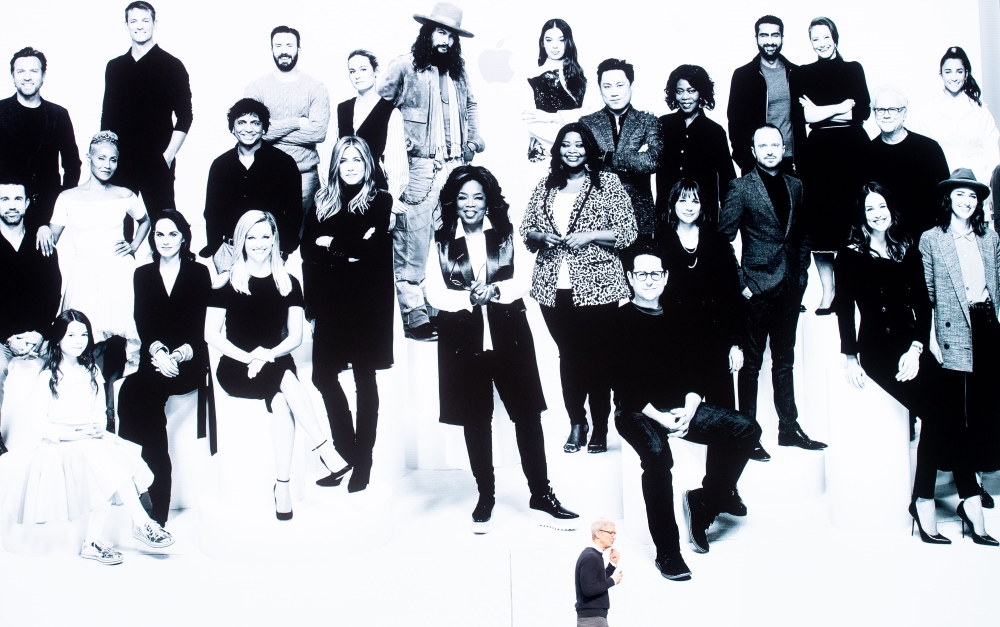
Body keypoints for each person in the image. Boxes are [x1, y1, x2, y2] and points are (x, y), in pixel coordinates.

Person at [426, 165, 579, 533]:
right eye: (463, 197)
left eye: (478, 197)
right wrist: (468, 297)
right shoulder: (443, 240)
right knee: (476, 419)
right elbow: (432, 290)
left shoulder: (507, 235)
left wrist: (495, 291)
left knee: (527, 414)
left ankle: (541, 495)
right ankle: (486, 496)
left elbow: (524, 279)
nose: (470, 204)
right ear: (454, 201)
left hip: (509, 333)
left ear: (488, 200)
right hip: (463, 340)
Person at [612, 248, 761, 579]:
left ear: (665, 278)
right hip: (637, 410)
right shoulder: (618, 321)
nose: (649, 280)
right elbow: (624, 386)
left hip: (681, 407)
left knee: (746, 430)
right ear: (630, 279)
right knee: (657, 457)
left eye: (655, 274)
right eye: (641, 274)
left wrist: (691, 408)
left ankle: (706, 500)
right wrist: (661, 418)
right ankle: (668, 552)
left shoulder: (681, 315)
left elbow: (700, 369)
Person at [835, 182, 960, 543]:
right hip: (878, 350)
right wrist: (850, 356)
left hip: (912, 345)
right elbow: (845, 308)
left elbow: (924, 302)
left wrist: (918, 347)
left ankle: (955, 493)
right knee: (937, 412)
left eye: (882, 205)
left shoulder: (907, 245)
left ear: (891, 209)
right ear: (862, 215)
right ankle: (924, 499)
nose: (878, 213)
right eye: (870, 208)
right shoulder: (850, 254)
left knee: (948, 404)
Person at [205, 210, 348, 520]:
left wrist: (265, 355)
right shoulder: (225, 281)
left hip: (275, 363)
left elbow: (296, 337)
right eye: (252, 237)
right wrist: (249, 357)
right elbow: (210, 335)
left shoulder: (288, 282)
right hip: (236, 367)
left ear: (274, 240)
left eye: (266, 237)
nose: (259, 243)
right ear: (241, 240)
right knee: (284, 377)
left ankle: (281, 487)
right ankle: (325, 449)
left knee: (283, 402)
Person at [16, 310, 174, 565]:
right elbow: (37, 423)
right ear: (58, 339)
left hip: (89, 440)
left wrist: (98, 429)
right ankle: (142, 523)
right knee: (106, 463)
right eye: (71, 335)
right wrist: (69, 434)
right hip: (60, 444)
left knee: (112, 462)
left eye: (84, 335)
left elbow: (99, 412)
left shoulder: (91, 371)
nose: (79, 340)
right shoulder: (48, 376)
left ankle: (96, 541)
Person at [520, 123, 637, 454]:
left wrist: (589, 235)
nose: (572, 150)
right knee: (569, 355)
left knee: (596, 356)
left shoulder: (606, 183)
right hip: (553, 285)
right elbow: (526, 228)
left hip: (598, 285)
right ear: (558, 150)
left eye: (579, 145)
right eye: (566, 145)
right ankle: (577, 422)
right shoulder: (545, 186)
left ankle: (599, 426)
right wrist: (541, 237)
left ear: (589, 149)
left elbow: (628, 231)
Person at [378, 2, 485, 341]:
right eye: (441, 32)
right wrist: (394, 148)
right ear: (427, 32)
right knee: (413, 240)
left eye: (452, 35)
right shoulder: (403, 67)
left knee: (448, 237)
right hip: (420, 167)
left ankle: (439, 304)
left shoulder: (459, 72)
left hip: (456, 165)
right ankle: (414, 316)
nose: (446, 41)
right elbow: (378, 110)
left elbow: (471, 105)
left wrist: (471, 142)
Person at [719, 124, 823, 457]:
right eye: (762, 145)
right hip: (757, 289)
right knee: (750, 365)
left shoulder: (797, 186)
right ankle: (746, 435)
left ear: (783, 147)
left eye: (775, 145)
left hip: (790, 288)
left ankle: (788, 429)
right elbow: (722, 241)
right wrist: (742, 284)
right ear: (752, 150)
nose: (769, 150)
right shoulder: (740, 187)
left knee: (784, 362)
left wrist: (802, 276)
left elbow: (804, 235)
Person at [302, 137, 393, 493]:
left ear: (367, 163)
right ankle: (347, 453)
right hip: (329, 301)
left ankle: (362, 461)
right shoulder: (322, 200)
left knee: (364, 379)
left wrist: (332, 244)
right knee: (322, 377)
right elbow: (307, 249)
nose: (351, 166)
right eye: (344, 160)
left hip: (368, 302)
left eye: (357, 159)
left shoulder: (379, 200)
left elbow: (370, 251)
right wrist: (347, 247)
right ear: (336, 165)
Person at [43, 131, 150, 430]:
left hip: (117, 272)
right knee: (85, 340)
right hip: (85, 273)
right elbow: (51, 235)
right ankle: (83, 414)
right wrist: (42, 229)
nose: (107, 164)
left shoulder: (124, 194)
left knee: (116, 344)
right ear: (88, 158)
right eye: (101, 158)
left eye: (112, 159)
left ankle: (110, 416)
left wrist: (133, 244)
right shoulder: (68, 197)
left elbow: (145, 221)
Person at [918, 169, 1000, 545]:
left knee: (983, 408)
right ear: (948, 198)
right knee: (955, 411)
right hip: (953, 331)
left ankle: (978, 484)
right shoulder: (932, 240)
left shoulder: (989, 237)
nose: (967, 202)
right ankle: (962, 491)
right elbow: (929, 295)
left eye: (973, 197)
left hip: (987, 325)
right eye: (960, 195)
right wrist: (931, 338)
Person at [116, 210, 212, 527]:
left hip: (189, 358)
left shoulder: (198, 273)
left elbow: (199, 326)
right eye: (159, 234)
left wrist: (179, 355)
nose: (165, 240)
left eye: (172, 234)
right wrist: (158, 352)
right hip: (155, 357)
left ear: (184, 236)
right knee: (130, 394)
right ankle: (138, 482)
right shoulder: (142, 274)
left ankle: (157, 507)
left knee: (147, 395)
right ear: (152, 238)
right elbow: (143, 320)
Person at [792, 16, 871, 313]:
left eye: (826, 37)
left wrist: (820, 111)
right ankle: (829, 293)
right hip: (819, 154)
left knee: (853, 219)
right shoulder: (803, 73)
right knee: (820, 225)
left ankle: (854, 291)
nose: (821, 43)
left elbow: (860, 112)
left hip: (853, 151)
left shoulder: (853, 69)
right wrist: (840, 107)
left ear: (835, 37)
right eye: (815, 39)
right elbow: (805, 118)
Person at [656, 179, 744, 410]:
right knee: (678, 408)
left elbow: (731, 295)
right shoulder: (659, 241)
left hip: (714, 337)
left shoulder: (717, 241)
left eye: (695, 201)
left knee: (722, 409)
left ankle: (729, 447)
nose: (688, 206)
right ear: (672, 203)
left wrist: (735, 344)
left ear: (702, 205)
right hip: (674, 337)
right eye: (682, 200)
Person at [101, 2, 192, 216]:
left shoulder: (172, 65)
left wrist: (167, 157)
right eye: (133, 21)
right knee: (116, 225)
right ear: (126, 25)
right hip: (120, 161)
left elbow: (185, 116)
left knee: (164, 222)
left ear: (154, 23)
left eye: (145, 20)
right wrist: (105, 157)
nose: (139, 26)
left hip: (156, 160)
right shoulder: (115, 67)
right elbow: (107, 116)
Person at [200, 98, 301, 272]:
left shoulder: (284, 163)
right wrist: (216, 248)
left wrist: (283, 251)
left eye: (255, 123)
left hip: (269, 251)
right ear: (233, 127)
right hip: (228, 252)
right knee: (229, 300)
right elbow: (211, 211)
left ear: (264, 128)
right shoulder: (220, 165)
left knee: (266, 299)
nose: (248, 129)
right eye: (241, 122)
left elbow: (294, 212)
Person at [0, 176, 62, 456]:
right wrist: (7, 339)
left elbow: (52, 294)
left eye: (16, 199)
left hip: (38, 337)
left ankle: (43, 449)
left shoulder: (42, 242)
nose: (11, 206)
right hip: (2, 340)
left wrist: (39, 334)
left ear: (26, 203)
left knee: (57, 376)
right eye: (4, 199)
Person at [245, 25, 330, 227]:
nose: (284, 50)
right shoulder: (256, 88)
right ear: (271, 49)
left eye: (289, 45)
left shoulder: (316, 88)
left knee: (301, 240)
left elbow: (318, 132)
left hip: (305, 177)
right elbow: (251, 133)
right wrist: (297, 122)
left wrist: (270, 129)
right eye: (278, 45)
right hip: (264, 174)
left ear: (299, 49)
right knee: (266, 237)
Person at [0, 47, 81, 240]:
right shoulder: (0, 112)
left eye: (33, 71)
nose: (27, 77)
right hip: (6, 211)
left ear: (43, 76)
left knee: (44, 269)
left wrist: (59, 211)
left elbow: (72, 165)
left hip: (46, 214)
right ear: (12, 76)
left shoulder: (59, 115)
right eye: (21, 71)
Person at [912, 47, 1000, 215]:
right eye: (948, 71)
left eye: (959, 71)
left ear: (966, 74)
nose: (954, 77)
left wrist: (987, 188)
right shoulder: (929, 110)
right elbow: (922, 154)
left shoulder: (980, 110)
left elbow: (992, 155)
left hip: (977, 182)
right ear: (941, 74)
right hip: (941, 181)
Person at [580, 59, 661, 238]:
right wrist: (634, 158)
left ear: (631, 86)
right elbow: (585, 165)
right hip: (597, 215)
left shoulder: (648, 121)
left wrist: (607, 157)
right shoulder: (587, 123)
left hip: (640, 216)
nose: (614, 93)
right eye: (607, 86)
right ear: (600, 89)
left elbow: (652, 161)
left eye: (620, 85)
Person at [866, 86, 951, 241]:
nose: (886, 115)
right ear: (874, 113)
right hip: (884, 243)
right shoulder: (866, 153)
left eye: (893, 109)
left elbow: (944, 201)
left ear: (904, 113)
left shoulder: (929, 149)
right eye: (880, 110)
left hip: (925, 240)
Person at [656, 65, 736, 226]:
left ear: (702, 92)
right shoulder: (662, 125)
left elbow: (728, 181)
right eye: (680, 91)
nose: (685, 97)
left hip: (704, 217)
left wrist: (727, 224)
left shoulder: (715, 131)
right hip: (667, 215)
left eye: (691, 90)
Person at [728, 15, 801, 176]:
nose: (770, 41)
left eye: (775, 35)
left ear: (782, 37)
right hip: (757, 162)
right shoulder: (743, 75)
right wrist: (746, 160)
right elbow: (734, 122)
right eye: (764, 35)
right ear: (756, 38)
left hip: (791, 161)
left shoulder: (796, 73)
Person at [336, 50, 408, 205]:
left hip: (376, 193)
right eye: (352, 71)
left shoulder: (391, 113)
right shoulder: (341, 109)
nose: (357, 75)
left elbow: (397, 166)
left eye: (363, 69)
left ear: (376, 72)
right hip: (342, 192)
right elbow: (330, 158)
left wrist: (390, 203)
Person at [522, 19, 587, 168]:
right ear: (542, 43)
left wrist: (551, 117)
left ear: (568, 42)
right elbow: (530, 121)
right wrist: (567, 141)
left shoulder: (582, 76)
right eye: (549, 40)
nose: (555, 45)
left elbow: (591, 115)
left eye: (561, 39)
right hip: (543, 155)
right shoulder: (531, 77)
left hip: (579, 154)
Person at [574, 518, 622, 627]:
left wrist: (612, 565)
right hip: (592, 619)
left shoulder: (593, 555)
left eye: (614, 533)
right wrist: (613, 580)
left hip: (593, 617)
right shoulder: (591, 557)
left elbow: (597, 582)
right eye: (610, 533)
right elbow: (589, 589)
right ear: (598, 533)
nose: (614, 537)